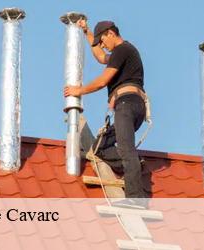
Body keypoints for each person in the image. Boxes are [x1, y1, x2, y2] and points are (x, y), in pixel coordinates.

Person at [63, 20, 151, 207]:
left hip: (127, 104)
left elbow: (103, 81)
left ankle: (136, 199)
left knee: (127, 148)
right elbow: (101, 57)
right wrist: (88, 34)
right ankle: (136, 165)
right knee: (98, 148)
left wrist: (79, 90)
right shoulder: (120, 53)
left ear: (111, 33)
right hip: (128, 105)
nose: (102, 45)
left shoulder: (123, 49)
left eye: (102, 40)